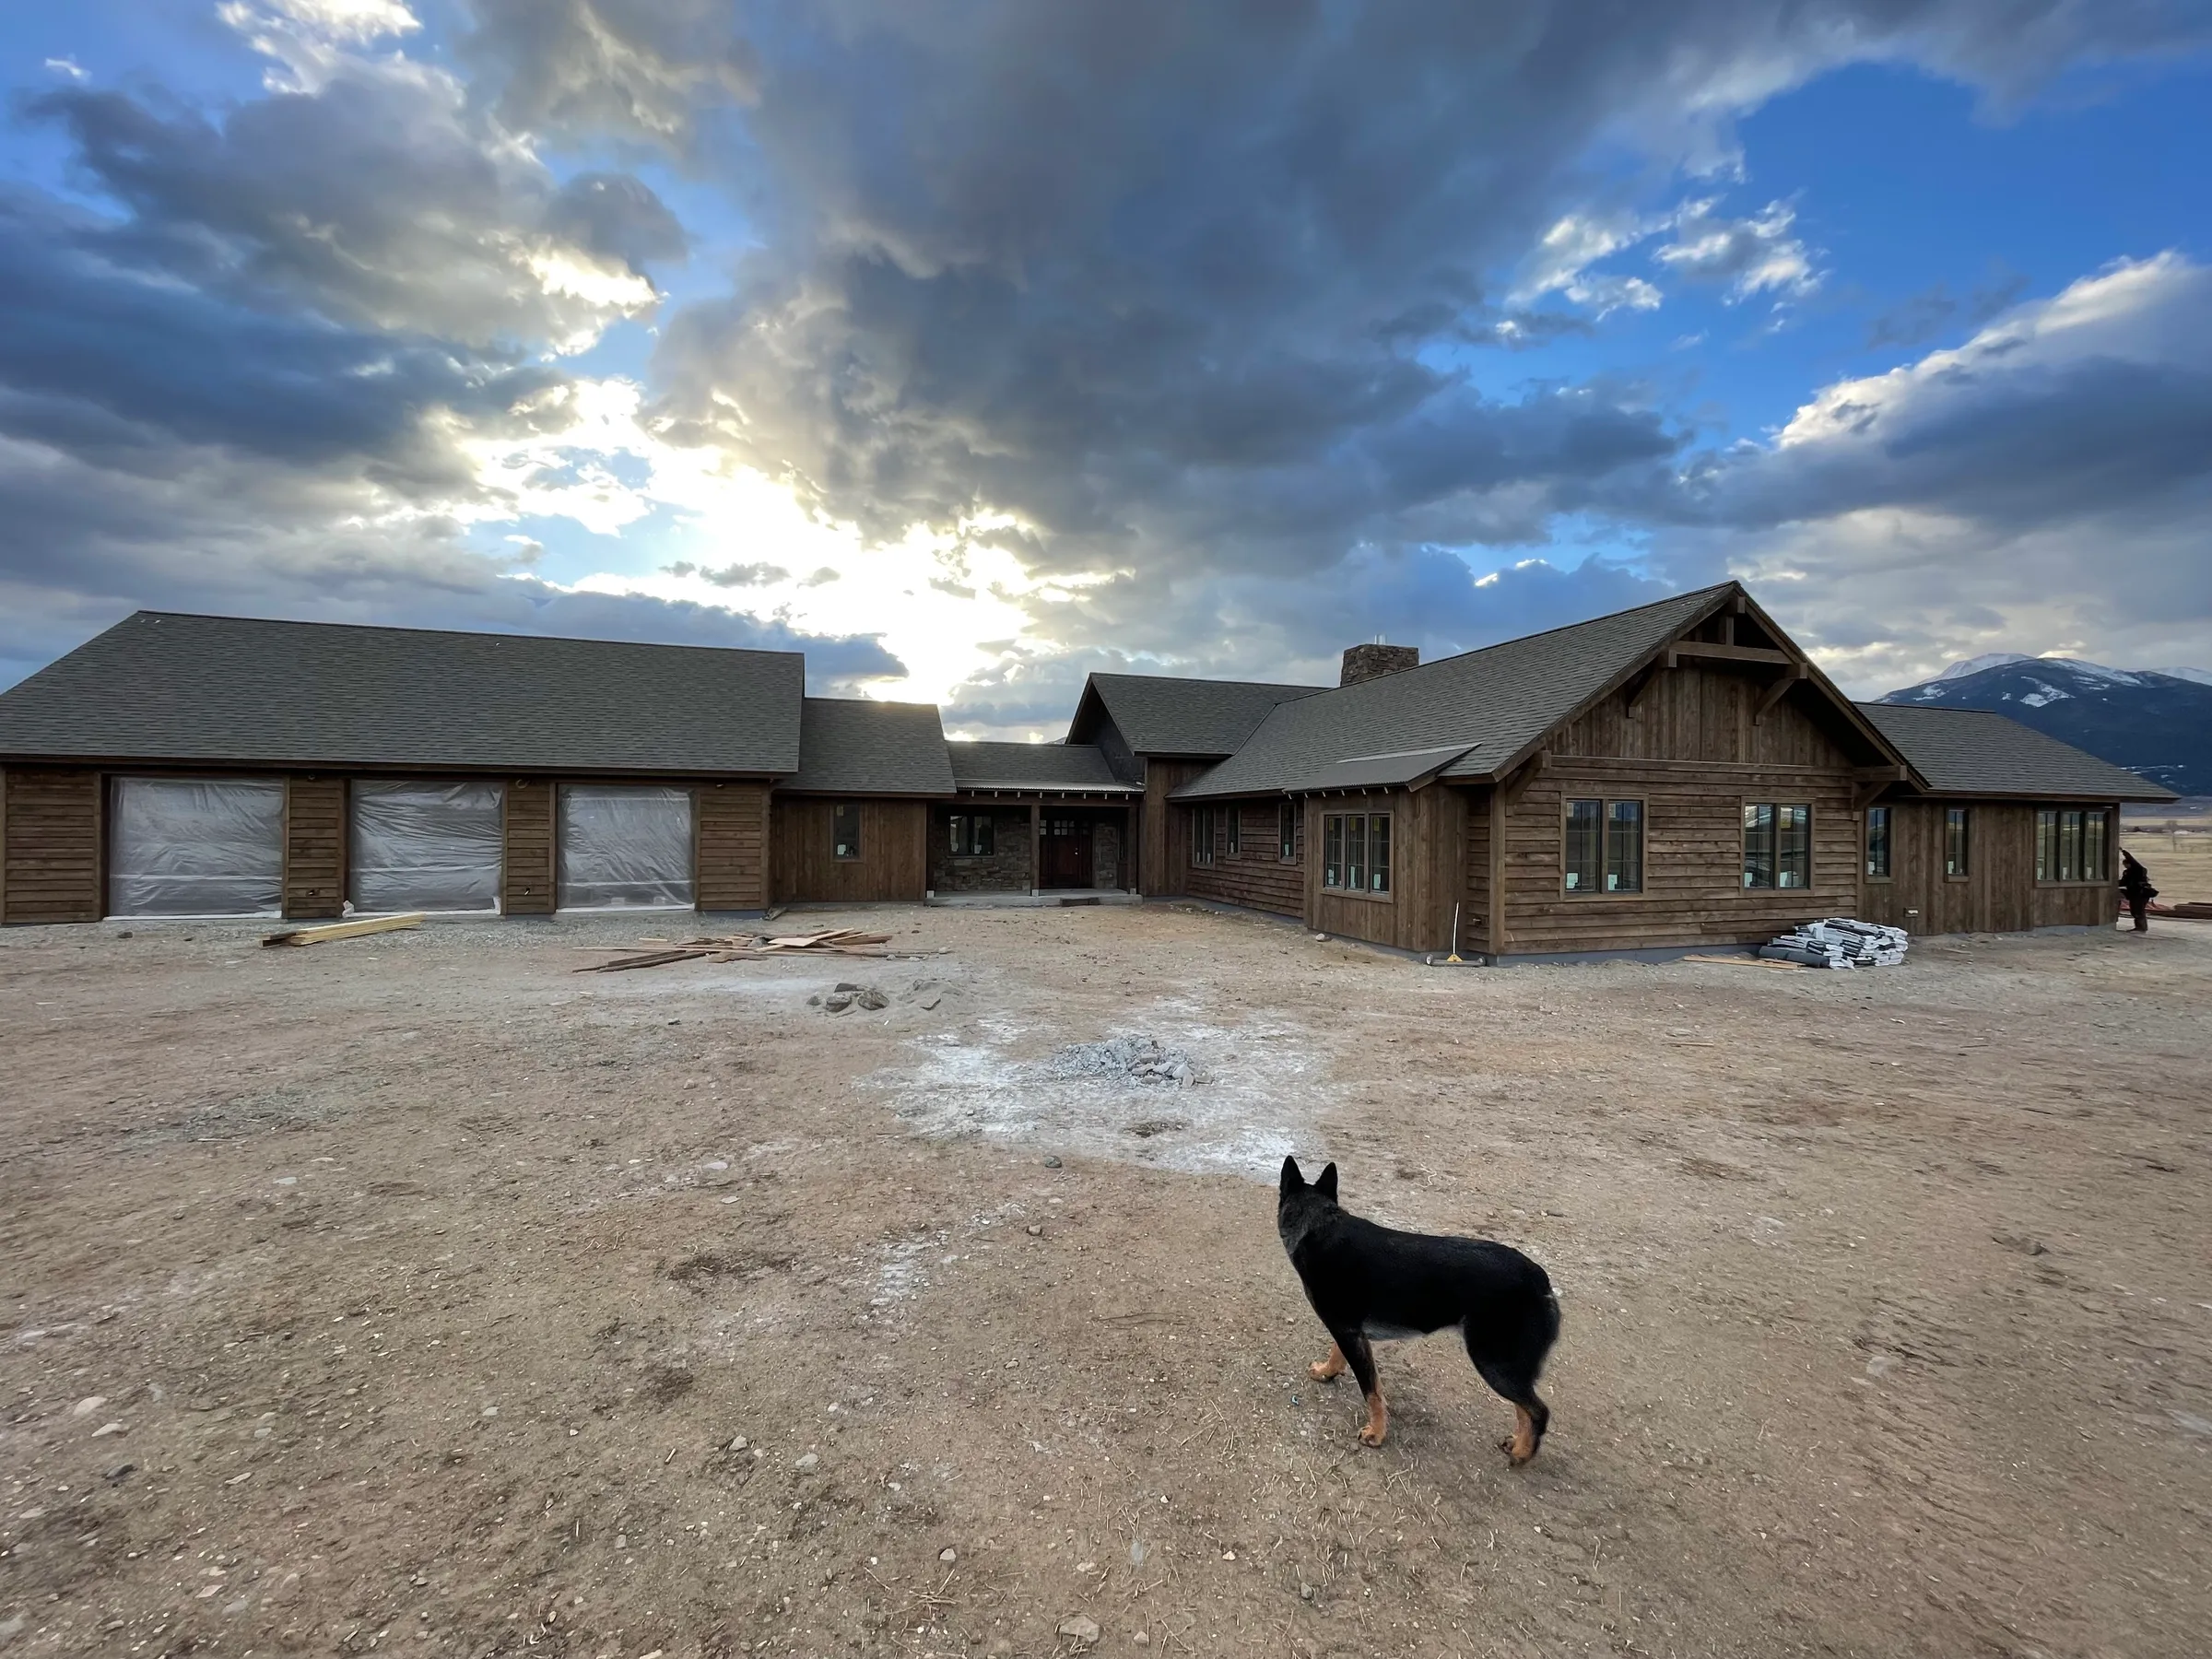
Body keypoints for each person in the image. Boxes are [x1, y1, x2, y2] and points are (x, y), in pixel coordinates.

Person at [2118, 849, 2158, 934]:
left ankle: (2141, 927)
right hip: (2134, 893)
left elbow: (2133, 861)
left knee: (2139, 910)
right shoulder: (2128, 873)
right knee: (2135, 910)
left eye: (2126, 864)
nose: (2125, 866)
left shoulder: (2138, 870)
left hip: (2141, 893)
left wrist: (2124, 852)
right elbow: (2123, 882)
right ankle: (2139, 926)